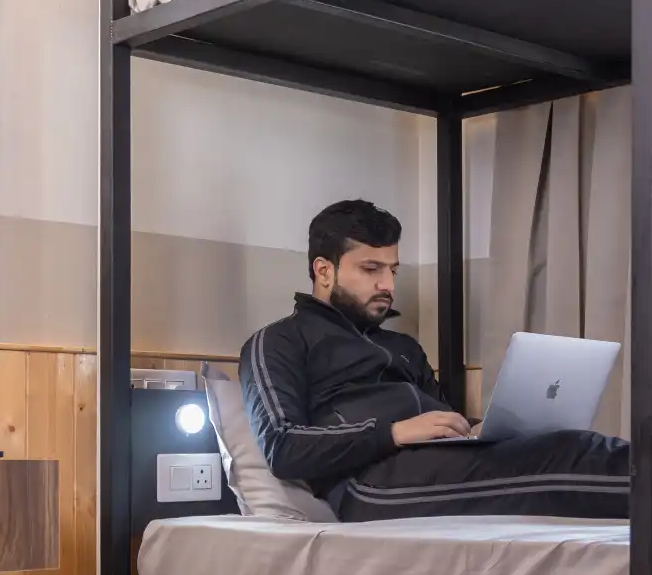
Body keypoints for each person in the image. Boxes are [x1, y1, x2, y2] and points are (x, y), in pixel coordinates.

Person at [239, 199, 629, 521]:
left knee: (560, 445)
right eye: (371, 269)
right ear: (324, 271)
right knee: (561, 456)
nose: (388, 285)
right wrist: (393, 432)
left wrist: (475, 430)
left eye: (392, 270)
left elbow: (442, 420)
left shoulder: (403, 346)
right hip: (370, 484)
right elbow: (283, 446)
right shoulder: (278, 342)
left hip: (436, 464)